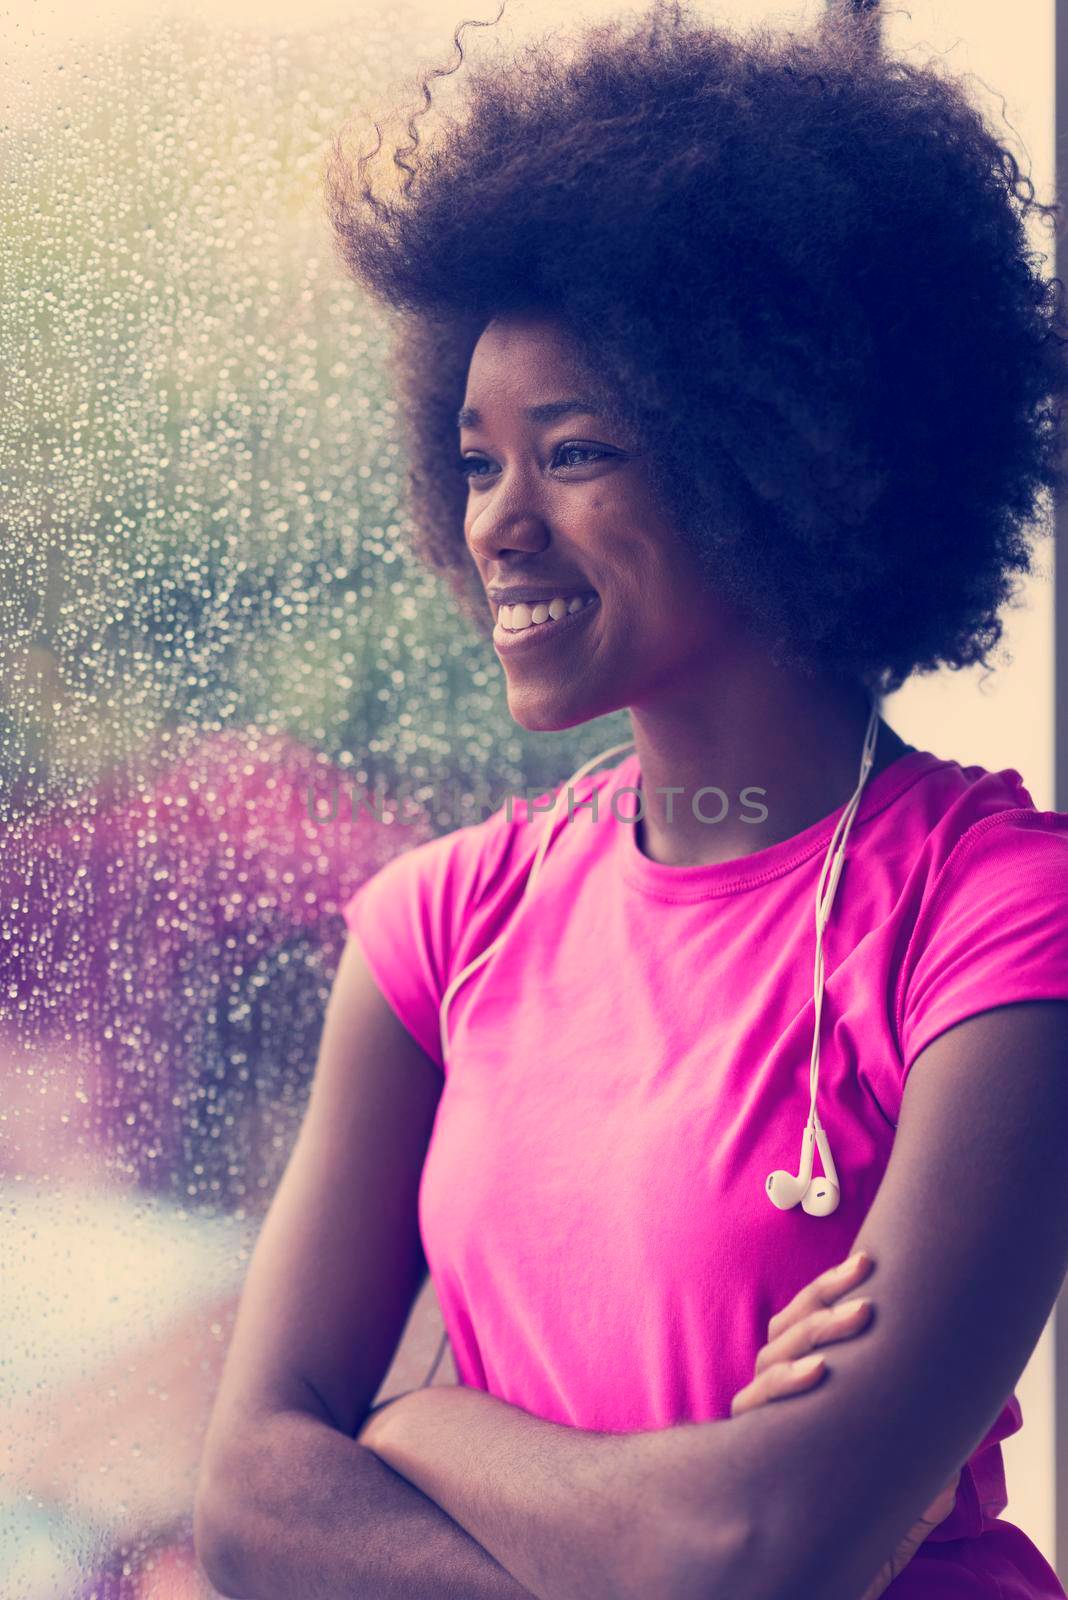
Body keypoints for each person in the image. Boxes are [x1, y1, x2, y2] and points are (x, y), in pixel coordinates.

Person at [194, 4, 1068, 1597]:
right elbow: (252, 1507)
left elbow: (760, 1549)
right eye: (474, 463)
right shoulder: (438, 927)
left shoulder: (1002, 915)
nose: (500, 528)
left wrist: (418, 1420)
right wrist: (650, 1531)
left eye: (575, 451)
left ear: (788, 457)